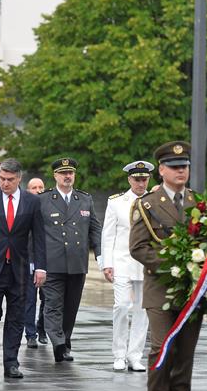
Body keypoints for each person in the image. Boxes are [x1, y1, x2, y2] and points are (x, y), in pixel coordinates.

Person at [129, 141, 199, 391]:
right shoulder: (147, 204)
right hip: (161, 288)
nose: (181, 171)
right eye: (174, 167)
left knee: (184, 354)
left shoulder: (198, 203)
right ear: (162, 170)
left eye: (184, 166)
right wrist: (172, 264)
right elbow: (138, 247)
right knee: (162, 348)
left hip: (191, 292)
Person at [0, 158, 46, 379]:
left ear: (19, 178)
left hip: (20, 269)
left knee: (16, 317)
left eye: (10, 180)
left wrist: (41, 267)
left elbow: (39, 237)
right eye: (2, 179)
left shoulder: (32, 202)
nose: (5, 183)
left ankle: (11, 362)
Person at [39, 158, 102, 363]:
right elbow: (35, 233)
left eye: (70, 173)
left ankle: (65, 341)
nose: (67, 176)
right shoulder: (44, 199)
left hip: (77, 263)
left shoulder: (84, 199)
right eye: (63, 173)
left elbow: (95, 228)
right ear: (55, 176)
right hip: (52, 263)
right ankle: (58, 342)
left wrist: (100, 254)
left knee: (71, 307)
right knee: (53, 305)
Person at [102, 161, 152, 371]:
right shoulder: (117, 202)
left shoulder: (155, 201)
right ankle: (119, 354)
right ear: (129, 179)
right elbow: (108, 234)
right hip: (122, 261)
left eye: (144, 179)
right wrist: (107, 263)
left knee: (143, 310)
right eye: (137, 179)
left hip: (146, 263)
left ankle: (135, 355)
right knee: (122, 306)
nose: (141, 183)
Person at [24, 177, 47, 347]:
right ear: (28, 190)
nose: (38, 190)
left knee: (47, 299)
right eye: (34, 187)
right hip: (28, 259)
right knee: (30, 299)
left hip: (47, 260)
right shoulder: (24, 207)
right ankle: (30, 333)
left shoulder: (49, 207)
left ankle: (42, 328)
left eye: (41, 187)